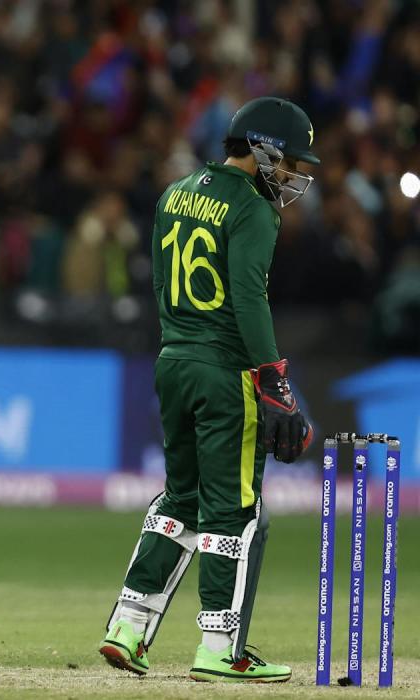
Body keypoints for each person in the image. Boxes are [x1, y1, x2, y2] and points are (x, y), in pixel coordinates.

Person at [98, 97, 317, 683]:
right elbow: (248, 298)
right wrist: (274, 378)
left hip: (172, 360)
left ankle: (127, 627)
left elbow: (158, 280)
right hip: (226, 369)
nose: (294, 175)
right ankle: (221, 648)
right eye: (291, 161)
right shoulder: (253, 208)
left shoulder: (175, 192)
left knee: (179, 499)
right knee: (234, 512)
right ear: (263, 149)